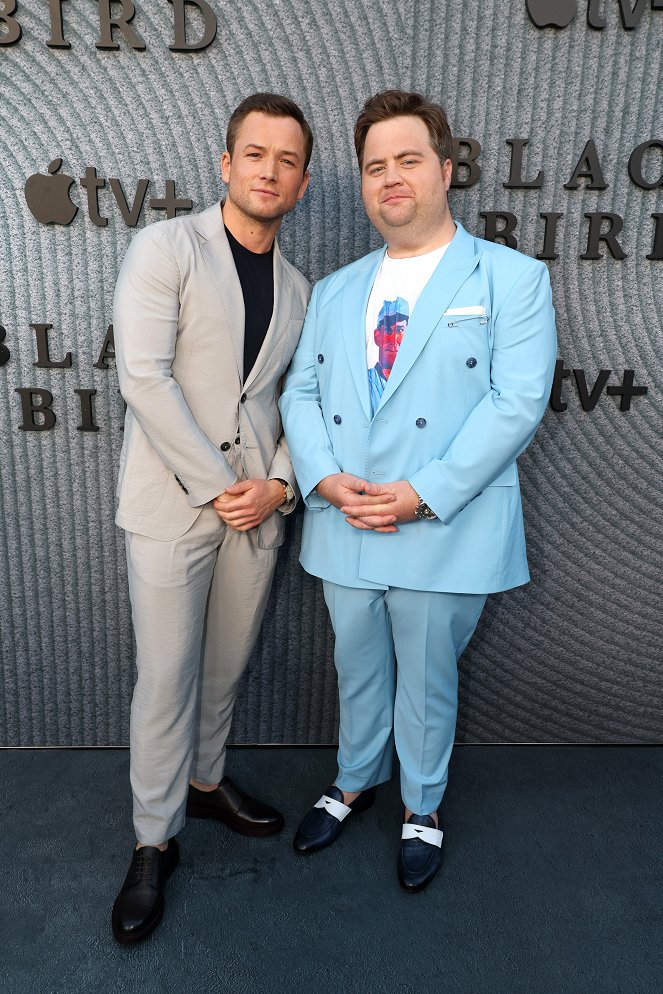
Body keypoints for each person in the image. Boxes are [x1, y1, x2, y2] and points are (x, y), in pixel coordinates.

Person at [279, 89, 557, 892]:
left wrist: (421, 494)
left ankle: (421, 806)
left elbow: (516, 401)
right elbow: (301, 393)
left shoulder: (510, 277)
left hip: (441, 520)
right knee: (355, 664)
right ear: (362, 184)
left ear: (443, 169)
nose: (390, 178)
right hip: (344, 517)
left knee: (429, 675)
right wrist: (324, 477)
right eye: (374, 166)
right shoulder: (334, 290)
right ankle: (353, 779)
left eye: (407, 160)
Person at [111, 92, 312, 944]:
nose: (270, 171)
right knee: (166, 678)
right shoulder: (166, 246)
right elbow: (143, 377)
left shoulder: (301, 287)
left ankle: (205, 781)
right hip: (172, 505)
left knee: (225, 668)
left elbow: (302, 400)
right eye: (255, 154)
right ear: (226, 165)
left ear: (301, 182)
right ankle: (154, 841)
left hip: (257, 509)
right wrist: (220, 482)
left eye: (288, 160)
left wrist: (278, 482)